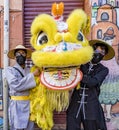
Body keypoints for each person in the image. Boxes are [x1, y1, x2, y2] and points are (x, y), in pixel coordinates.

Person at [66, 39, 115, 130]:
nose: (99, 53)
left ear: (104, 55)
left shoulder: (103, 70)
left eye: (102, 52)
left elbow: (93, 82)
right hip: (74, 105)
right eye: (97, 50)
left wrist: (78, 75)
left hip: (91, 107)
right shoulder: (81, 64)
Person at [5, 45, 40, 130]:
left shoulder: (30, 70)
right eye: (18, 53)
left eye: (23, 53)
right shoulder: (9, 70)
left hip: (29, 105)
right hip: (17, 105)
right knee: (17, 127)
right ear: (15, 56)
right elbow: (16, 85)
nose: (20, 55)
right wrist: (32, 75)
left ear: (26, 56)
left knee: (29, 127)